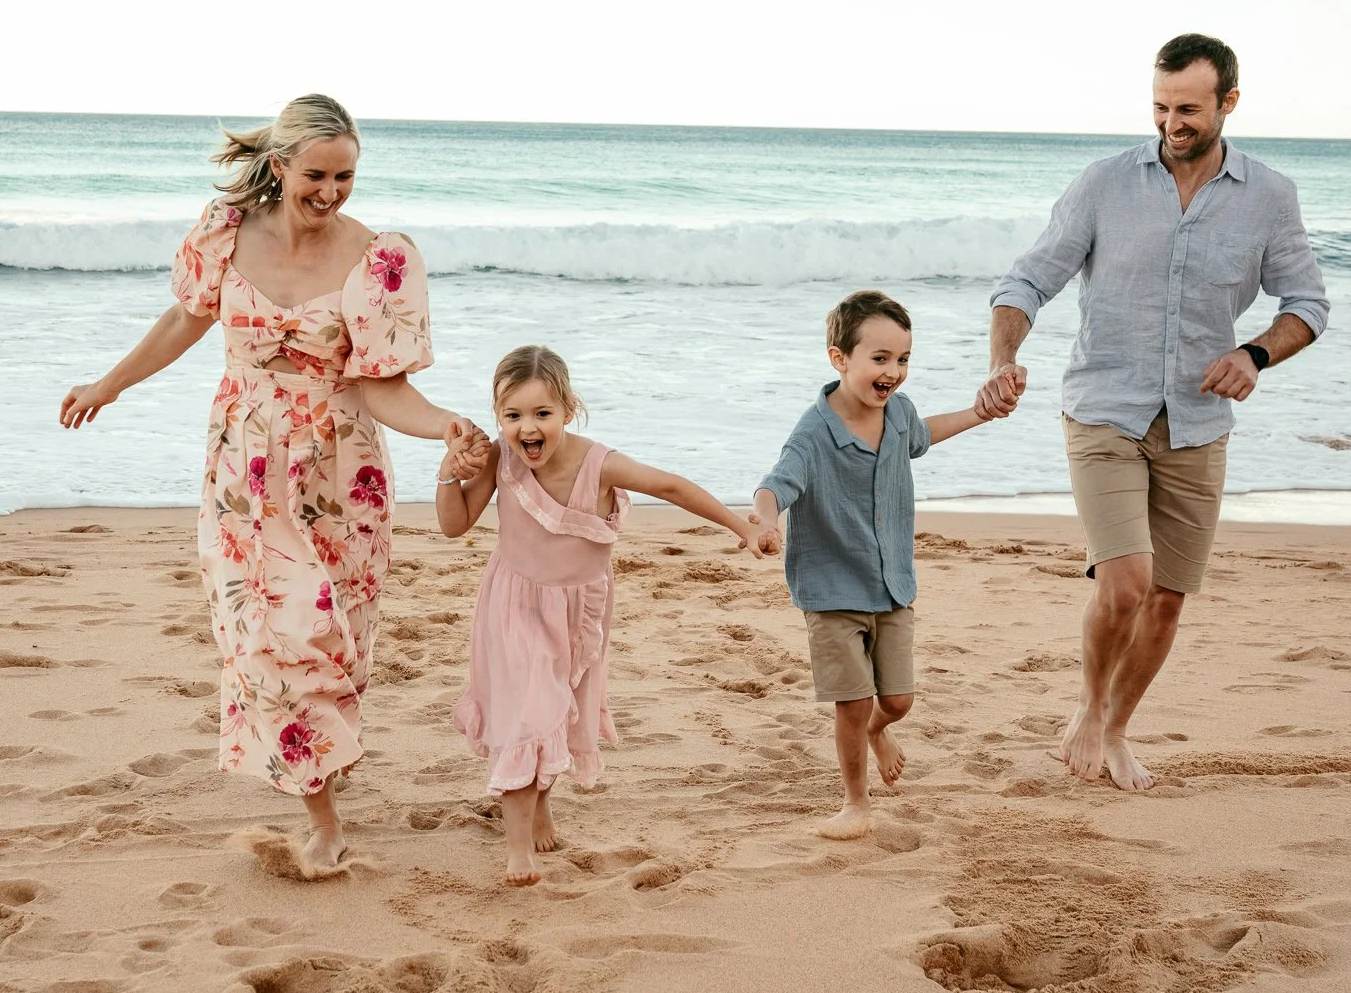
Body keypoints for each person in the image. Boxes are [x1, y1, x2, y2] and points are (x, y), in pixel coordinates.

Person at [59, 94, 485, 870]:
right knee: (267, 636)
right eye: (316, 175)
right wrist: (108, 385)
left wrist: (446, 425)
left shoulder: (379, 258)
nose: (330, 192)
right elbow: (183, 322)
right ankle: (324, 821)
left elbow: (384, 387)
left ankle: (320, 775)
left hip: (340, 472)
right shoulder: (224, 235)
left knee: (335, 645)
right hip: (244, 474)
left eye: (346, 177)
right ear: (280, 164)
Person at [978, 35, 1330, 791]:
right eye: (1161, 107)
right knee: (1127, 584)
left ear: (1228, 103)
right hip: (1105, 407)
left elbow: (1307, 304)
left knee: (1167, 602)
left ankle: (1116, 729)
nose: (1172, 122)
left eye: (1189, 109)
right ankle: (1086, 710)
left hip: (1199, 421)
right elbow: (1027, 281)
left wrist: (1255, 355)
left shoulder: (1270, 196)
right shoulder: (1103, 183)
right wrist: (1004, 361)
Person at [435, 344, 774, 886]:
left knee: (559, 711)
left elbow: (672, 486)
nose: (528, 428)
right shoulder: (500, 457)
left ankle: (541, 800)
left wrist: (744, 527)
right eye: (513, 415)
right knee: (529, 713)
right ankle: (517, 847)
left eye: (542, 414)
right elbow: (454, 526)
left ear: (569, 410)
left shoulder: (601, 464)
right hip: (514, 606)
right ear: (498, 417)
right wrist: (447, 474)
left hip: (578, 611)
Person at [749, 290, 1002, 840]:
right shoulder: (814, 432)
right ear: (840, 359)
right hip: (831, 589)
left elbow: (923, 433)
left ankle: (877, 731)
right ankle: (855, 802)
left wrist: (980, 413)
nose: (894, 372)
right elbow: (777, 482)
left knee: (897, 701)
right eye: (880, 359)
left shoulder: (899, 414)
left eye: (903, 359)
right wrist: (765, 520)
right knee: (853, 701)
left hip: (891, 584)